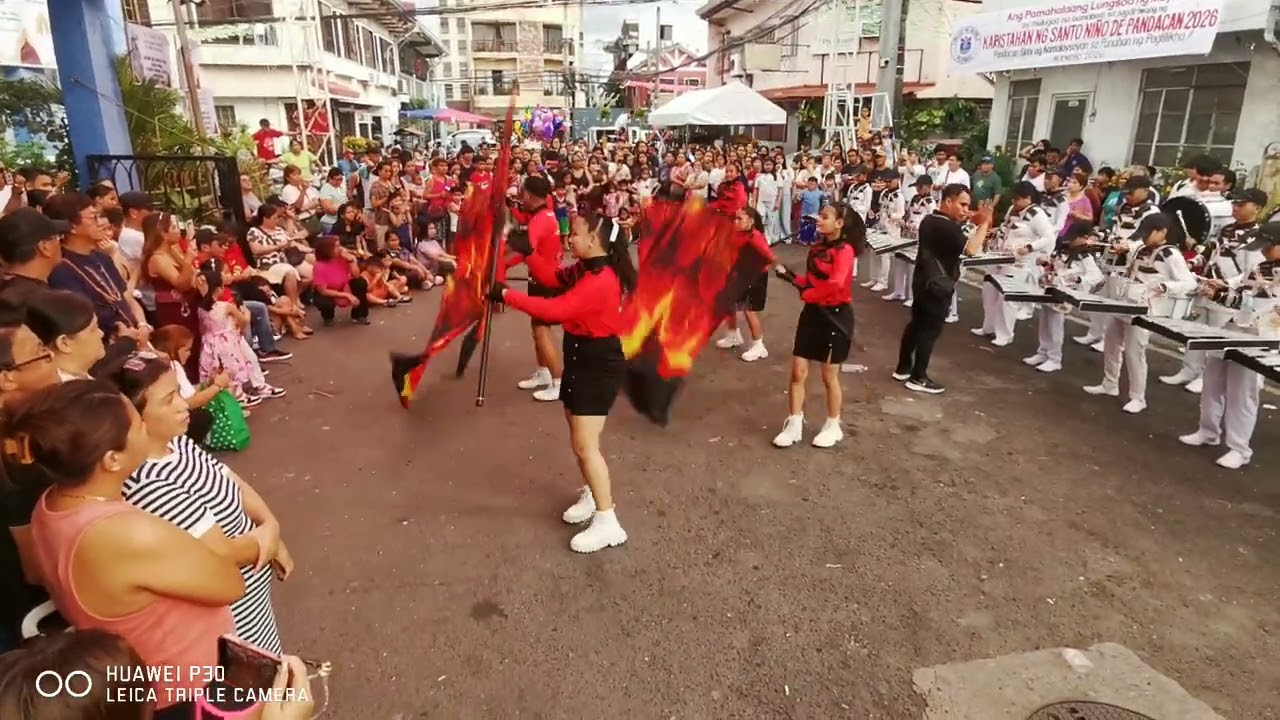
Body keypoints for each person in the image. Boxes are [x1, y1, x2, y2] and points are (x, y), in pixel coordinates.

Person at [9, 380, 244, 715]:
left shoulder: (48, 506)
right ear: (113, 459)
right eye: (137, 424)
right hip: (186, 688)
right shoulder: (127, 533)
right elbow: (229, 583)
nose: (145, 427)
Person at [108, 354, 290, 654]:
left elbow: (232, 480)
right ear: (133, 417)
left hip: (253, 595)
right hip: (229, 614)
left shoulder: (176, 442)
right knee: (252, 684)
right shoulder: (149, 483)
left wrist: (269, 523)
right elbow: (221, 552)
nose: (183, 404)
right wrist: (269, 538)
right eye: (169, 400)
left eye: (179, 392)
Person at [491, 212, 637, 553]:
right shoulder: (586, 268)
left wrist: (505, 295)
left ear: (594, 241)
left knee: (586, 445)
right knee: (579, 439)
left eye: (576, 233)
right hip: (579, 355)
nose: (569, 238)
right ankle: (592, 491)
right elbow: (553, 279)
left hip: (597, 363)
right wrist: (528, 252)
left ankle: (608, 520)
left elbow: (557, 309)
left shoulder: (601, 278)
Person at [1178, 222, 1280, 469]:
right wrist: (1218, 291)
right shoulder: (1260, 267)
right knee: (1212, 380)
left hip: (1263, 337)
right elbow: (1242, 295)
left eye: (1269, 247)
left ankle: (1240, 448)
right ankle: (1208, 430)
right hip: (1236, 328)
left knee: (1242, 393)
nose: (1264, 252)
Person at [1082, 214, 1198, 414]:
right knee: (1111, 344)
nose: (1144, 238)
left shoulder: (1171, 254)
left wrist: (1165, 286)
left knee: (1134, 353)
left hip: (1147, 310)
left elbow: (1189, 283)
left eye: (1148, 233)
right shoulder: (1141, 249)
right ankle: (1109, 384)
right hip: (1126, 302)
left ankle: (1138, 397)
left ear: (1162, 232)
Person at [771, 205, 862, 449]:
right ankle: (794, 423)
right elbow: (809, 282)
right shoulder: (817, 248)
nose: (819, 220)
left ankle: (833, 425)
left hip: (835, 317)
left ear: (840, 223)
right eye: (819, 216)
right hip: (812, 314)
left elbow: (834, 284)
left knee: (829, 376)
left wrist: (810, 295)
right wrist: (790, 277)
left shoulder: (845, 251)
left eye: (825, 217)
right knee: (797, 371)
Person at [895, 184, 992, 394]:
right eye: (962, 204)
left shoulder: (930, 220)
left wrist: (969, 221)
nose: (966, 209)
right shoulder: (947, 227)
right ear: (948, 201)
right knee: (929, 331)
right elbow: (972, 249)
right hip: (938, 286)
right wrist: (984, 223)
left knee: (916, 325)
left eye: (968, 205)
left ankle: (903, 367)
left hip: (922, 281)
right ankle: (918, 376)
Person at [974, 181, 1055, 347]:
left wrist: (1030, 248)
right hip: (1000, 255)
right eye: (1014, 198)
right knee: (989, 292)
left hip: (1020, 262)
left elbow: (1049, 237)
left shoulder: (1037, 214)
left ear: (1028, 198)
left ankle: (1005, 334)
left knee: (1007, 299)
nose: (1015, 202)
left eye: (1018, 199)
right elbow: (1005, 226)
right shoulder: (1013, 209)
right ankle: (988, 327)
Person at [510, 176, 566, 402]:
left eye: (523, 194)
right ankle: (543, 372)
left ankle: (559, 382)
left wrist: (498, 265)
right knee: (537, 330)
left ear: (529, 195)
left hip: (544, 279)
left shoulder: (540, 220)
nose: (521, 197)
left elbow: (525, 250)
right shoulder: (547, 213)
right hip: (545, 276)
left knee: (542, 332)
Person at [1024, 222, 1103, 373]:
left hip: (1064, 294)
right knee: (1044, 322)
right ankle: (1042, 352)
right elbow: (1053, 264)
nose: (1071, 240)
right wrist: (1045, 263)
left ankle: (1055, 358)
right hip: (1050, 288)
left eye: (1075, 238)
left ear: (1084, 238)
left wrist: (1078, 280)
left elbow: (1096, 276)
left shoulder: (1084, 255)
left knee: (1055, 326)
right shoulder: (1063, 248)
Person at [713, 207, 777, 361]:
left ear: (751, 221)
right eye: (735, 218)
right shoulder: (738, 234)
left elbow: (771, 257)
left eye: (739, 219)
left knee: (749, 310)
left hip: (755, 277)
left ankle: (759, 345)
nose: (735, 221)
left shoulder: (755, 238)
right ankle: (733, 334)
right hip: (740, 275)